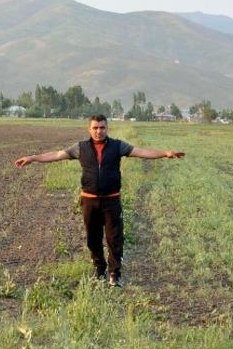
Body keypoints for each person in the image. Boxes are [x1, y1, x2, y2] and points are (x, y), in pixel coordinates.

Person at [14, 114, 185, 287]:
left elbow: (141, 152)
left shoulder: (118, 146)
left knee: (114, 238)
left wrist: (165, 153)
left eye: (102, 127)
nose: (98, 131)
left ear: (107, 128)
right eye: (95, 128)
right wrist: (33, 158)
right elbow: (57, 155)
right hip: (89, 201)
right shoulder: (80, 148)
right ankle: (99, 269)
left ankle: (115, 274)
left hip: (111, 200)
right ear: (89, 129)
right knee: (93, 238)